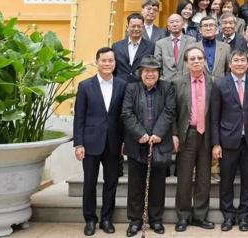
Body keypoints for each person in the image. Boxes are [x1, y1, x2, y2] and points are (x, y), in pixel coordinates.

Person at [73, 47, 127, 236]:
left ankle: (106, 219)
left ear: (115, 63)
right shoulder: (85, 86)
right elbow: (79, 117)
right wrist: (78, 143)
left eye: (111, 61)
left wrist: (124, 142)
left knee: (111, 182)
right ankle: (89, 219)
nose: (107, 64)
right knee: (89, 183)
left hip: (113, 143)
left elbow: (123, 117)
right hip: (90, 143)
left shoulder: (122, 85)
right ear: (97, 62)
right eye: (104, 60)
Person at [121, 56, 176, 237]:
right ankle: (135, 220)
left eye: (153, 71)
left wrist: (157, 134)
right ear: (140, 73)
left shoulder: (167, 88)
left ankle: (156, 219)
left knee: (158, 184)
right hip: (138, 143)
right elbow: (126, 113)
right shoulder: (131, 88)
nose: (150, 74)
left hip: (159, 143)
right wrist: (141, 134)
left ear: (159, 73)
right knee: (135, 184)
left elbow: (169, 111)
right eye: (146, 71)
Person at [210, 50, 248, 232]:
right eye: (236, 60)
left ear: (247, 64)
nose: (239, 63)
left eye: (242, 60)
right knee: (226, 181)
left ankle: (244, 216)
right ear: (230, 64)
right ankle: (228, 216)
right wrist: (216, 143)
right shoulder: (220, 84)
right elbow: (214, 116)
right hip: (227, 140)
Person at [171, 46, 214, 231]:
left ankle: (200, 216)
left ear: (204, 61)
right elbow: (171, 112)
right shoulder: (177, 83)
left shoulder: (214, 82)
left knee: (204, 178)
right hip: (186, 134)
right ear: (186, 63)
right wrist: (174, 134)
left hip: (207, 136)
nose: (196, 61)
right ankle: (183, 216)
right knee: (185, 178)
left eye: (199, 58)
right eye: (192, 59)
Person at [113, 13, 155, 83]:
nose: (136, 29)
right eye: (133, 26)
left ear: (143, 28)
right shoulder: (116, 46)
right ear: (127, 27)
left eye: (139, 26)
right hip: (120, 86)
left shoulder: (151, 47)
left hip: (141, 87)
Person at [155, 13, 195, 79]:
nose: (175, 24)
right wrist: (161, 79)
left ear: (183, 24)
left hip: (186, 81)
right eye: (172, 22)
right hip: (166, 82)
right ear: (168, 27)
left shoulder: (191, 41)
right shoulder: (160, 44)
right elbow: (157, 64)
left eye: (177, 21)